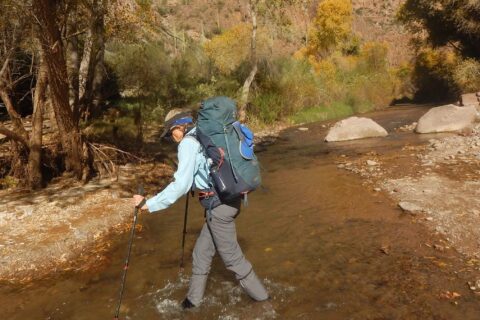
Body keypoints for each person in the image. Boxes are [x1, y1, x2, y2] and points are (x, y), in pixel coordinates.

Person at [133, 108, 269, 309]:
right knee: (201, 253)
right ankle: (192, 302)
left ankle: (264, 301)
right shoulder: (203, 133)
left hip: (219, 208)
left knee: (232, 260)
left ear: (179, 127)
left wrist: (148, 204)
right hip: (230, 201)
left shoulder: (188, 143)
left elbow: (180, 185)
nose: (173, 137)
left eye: (172, 132)